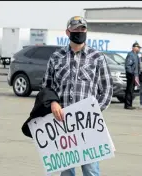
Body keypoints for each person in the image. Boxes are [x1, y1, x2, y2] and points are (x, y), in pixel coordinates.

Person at [42, 16, 113, 176]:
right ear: (68, 32)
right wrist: (53, 102)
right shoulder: (56, 57)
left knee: (91, 170)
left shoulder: (97, 57)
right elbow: (47, 86)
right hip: (63, 124)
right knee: (66, 171)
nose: (80, 32)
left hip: (88, 124)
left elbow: (107, 89)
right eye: (76, 29)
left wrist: (94, 111)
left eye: (83, 29)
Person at [124, 42, 141, 110]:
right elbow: (128, 65)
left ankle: (130, 104)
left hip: (135, 75)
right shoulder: (131, 55)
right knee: (129, 90)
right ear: (134, 47)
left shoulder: (136, 55)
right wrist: (131, 73)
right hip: (131, 75)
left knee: (132, 90)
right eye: (138, 47)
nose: (139, 49)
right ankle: (128, 105)